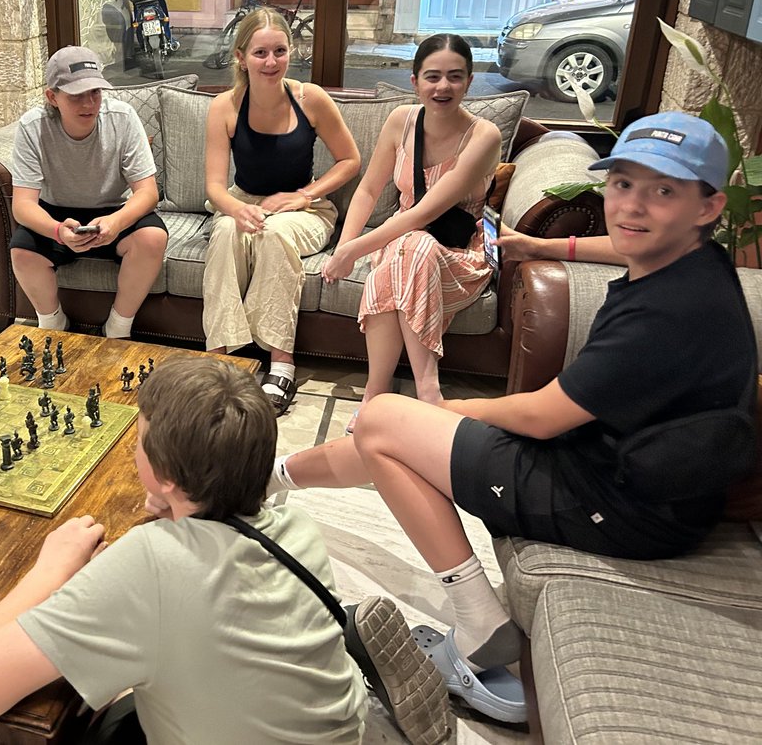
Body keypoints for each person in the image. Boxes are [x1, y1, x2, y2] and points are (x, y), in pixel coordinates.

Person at [271, 112, 756, 722]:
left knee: (384, 422)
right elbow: (621, 242)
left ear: (707, 207)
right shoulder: (696, 264)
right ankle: (273, 477)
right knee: (393, 433)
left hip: (612, 502)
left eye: (663, 191)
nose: (632, 207)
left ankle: (479, 626)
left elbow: (545, 416)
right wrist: (542, 246)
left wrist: (446, 408)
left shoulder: (665, 314)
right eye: (623, 183)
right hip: (636, 482)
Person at [0, 356, 418, 743]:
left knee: (101, 720)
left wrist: (50, 571)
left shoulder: (149, 564)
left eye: (139, 441)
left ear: (163, 475)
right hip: (340, 732)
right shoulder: (296, 525)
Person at [323, 34, 502, 421]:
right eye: (432, 76)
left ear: (469, 82)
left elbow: (425, 211)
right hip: (402, 243)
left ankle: (418, 391)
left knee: (413, 246)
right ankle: (385, 392)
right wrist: (345, 243)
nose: (443, 87)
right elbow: (369, 189)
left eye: (455, 77)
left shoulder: (484, 135)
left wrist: (352, 252)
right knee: (407, 250)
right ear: (415, 81)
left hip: (458, 253)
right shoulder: (400, 121)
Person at [203, 7, 361, 414]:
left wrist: (305, 195)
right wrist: (236, 210)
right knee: (222, 233)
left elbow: (349, 160)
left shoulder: (311, 99)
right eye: (260, 53)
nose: (271, 62)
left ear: (292, 51)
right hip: (244, 200)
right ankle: (220, 357)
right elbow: (215, 188)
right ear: (240, 57)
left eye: (279, 51)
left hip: (305, 209)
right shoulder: (224, 106)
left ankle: (280, 361)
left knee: (274, 233)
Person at [9, 45, 167, 339]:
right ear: (52, 97)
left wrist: (116, 221)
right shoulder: (33, 127)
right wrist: (58, 231)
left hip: (115, 210)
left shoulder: (123, 117)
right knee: (21, 251)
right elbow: (23, 205)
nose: (88, 103)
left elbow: (147, 192)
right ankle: (53, 324)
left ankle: (118, 329)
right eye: (76, 95)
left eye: (95, 92)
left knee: (153, 237)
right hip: (57, 213)